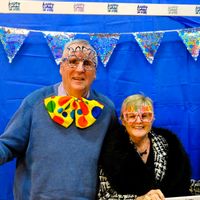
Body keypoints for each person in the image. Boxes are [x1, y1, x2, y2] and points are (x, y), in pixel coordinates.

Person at [0, 39, 118, 200]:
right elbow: (7, 145)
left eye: (87, 63)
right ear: (61, 67)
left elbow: (117, 158)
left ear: (95, 72)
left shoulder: (106, 109)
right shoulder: (35, 102)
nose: (80, 69)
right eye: (73, 61)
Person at [98, 94, 192, 200]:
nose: (138, 121)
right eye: (132, 116)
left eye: (145, 116)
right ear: (123, 121)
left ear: (152, 119)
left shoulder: (170, 145)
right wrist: (139, 199)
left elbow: (184, 187)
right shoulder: (110, 151)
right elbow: (105, 196)